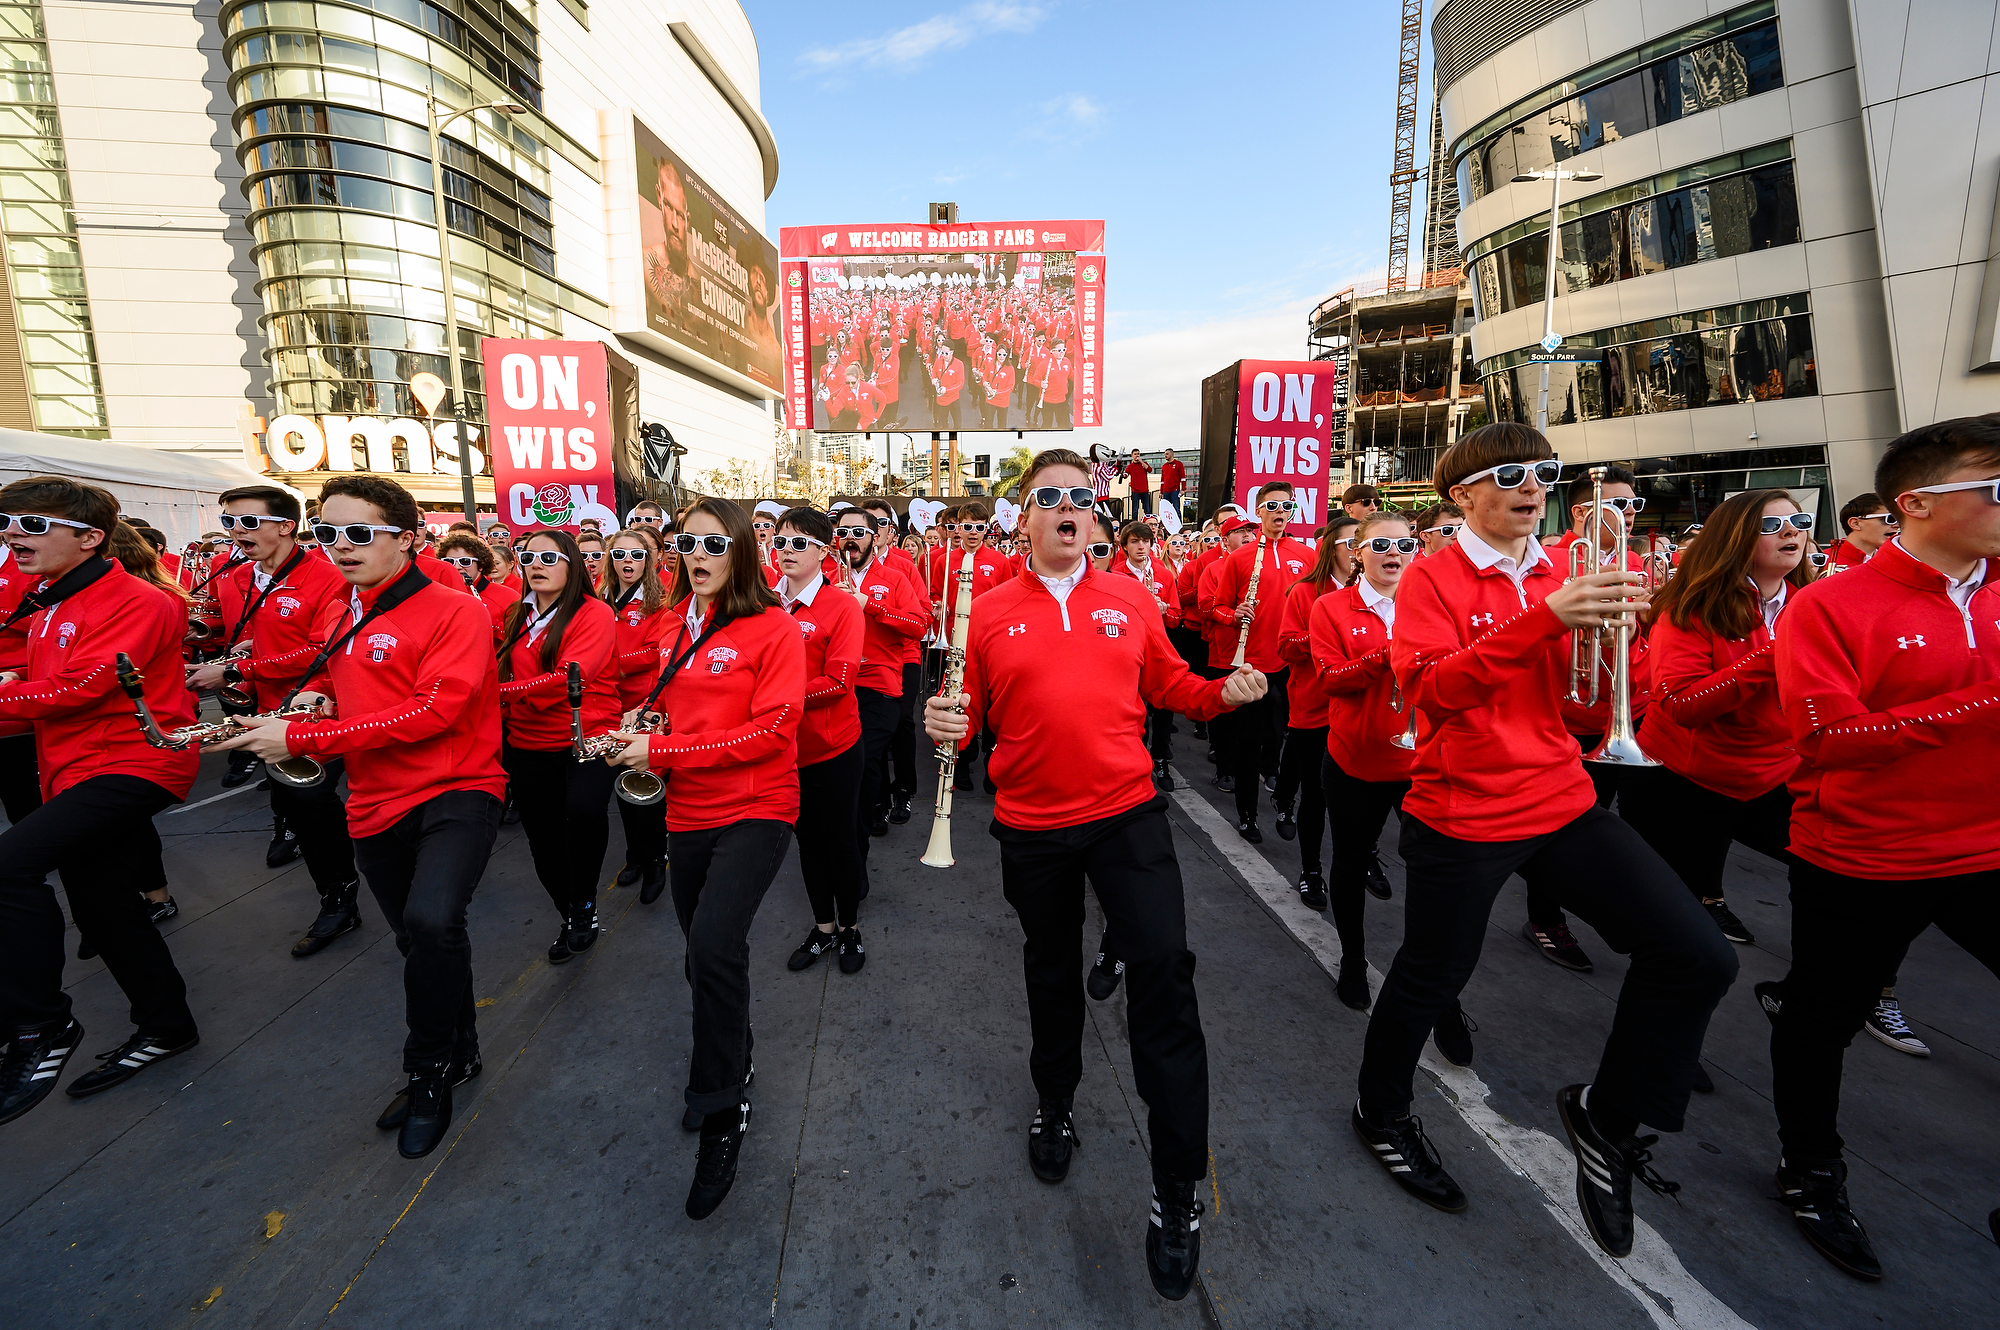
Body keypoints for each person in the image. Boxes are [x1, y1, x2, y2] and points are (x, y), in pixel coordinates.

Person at [1352, 424, 1737, 1261]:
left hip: (1562, 795)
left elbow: (1583, 702)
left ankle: (1606, 1118)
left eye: (1544, 473)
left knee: (1700, 956)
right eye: (1513, 474)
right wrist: (1543, 621)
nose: (1534, 486)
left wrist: (1618, 653)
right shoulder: (1431, 578)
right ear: (1463, 496)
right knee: (1431, 976)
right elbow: (1434, 692)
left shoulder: (1563, 567)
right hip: (1464, 813)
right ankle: (1379, 1112)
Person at [924, 447, 1268, 1302]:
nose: (1070, 509)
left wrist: (1224, 694)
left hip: (1126, 816)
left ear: (1097, 516)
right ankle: (1055, 1101)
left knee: (1165, 976)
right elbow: (962, 725)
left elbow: (1176, 688)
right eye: (1051, 498)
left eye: (1084, 496)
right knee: (1050, 970)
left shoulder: (1133, 598)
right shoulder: (988, 608)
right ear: (1027, 518)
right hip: (1033, 827)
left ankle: (1177, 1186)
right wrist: (943, 724)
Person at [1765, 416, 2000, 1282]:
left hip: (1989, 848)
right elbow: (1828, 740)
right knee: (1820, 1020)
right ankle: (1809, 1168)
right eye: (1998, 487)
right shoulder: (1832, 604)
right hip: (1865, 854)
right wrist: (1982, 709)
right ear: (1918, 505)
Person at [212, 476, 507, 1158]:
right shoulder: (341, 607)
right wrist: (312, 698)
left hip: (457, 787)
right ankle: (460, 1049)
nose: (339, 547)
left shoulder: (453, 610)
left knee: (434, 922)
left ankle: (428, 1069)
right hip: (375, 800)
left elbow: (436, 710)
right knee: (418, 940)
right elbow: (327, 672)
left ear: (405, 539)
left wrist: (305, 738)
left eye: (358, 534)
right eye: (327, 534)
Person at [604, 497, 804, 1221]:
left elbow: (772, 730)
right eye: (686, 541)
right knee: (701, 955)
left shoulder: (774, 628)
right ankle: (736, 1053)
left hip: (758, 806)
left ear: (745, 550)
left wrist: (662, 749)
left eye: (714, 543)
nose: (698, 553)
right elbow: (675, 706)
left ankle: (722, 1109)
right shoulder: (672, 624)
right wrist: (642, 723)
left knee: (717, 944)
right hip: (687, 809)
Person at [0, 478, 203, 1125]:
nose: (11, 534)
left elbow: (79, 689)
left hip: (131, 763)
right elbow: (47, 686)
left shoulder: (140, 601)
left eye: (31, 524)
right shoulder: (51, 599)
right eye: (7, 522)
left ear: (89, 538)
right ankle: (166, 1025)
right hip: (74, 769)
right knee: (102, 904)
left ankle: (42, 1028)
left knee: (8, 868)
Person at [1623, 489, 1812, 947]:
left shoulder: (1813, 603)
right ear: (1735, 540)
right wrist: (1773, 655)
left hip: (1774, 776)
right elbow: (1682, 706)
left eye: (1800, 521)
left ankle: (1824, 991)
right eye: (1770, 526)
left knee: (1833, 877)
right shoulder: (1691, 607)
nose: (1791, 532)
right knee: (1674, 929)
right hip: (1684, 783)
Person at [188, 485, 359, 957]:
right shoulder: (236, 576)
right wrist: (227, 650)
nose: (238, 532)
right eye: (230, 523)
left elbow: (320, 648)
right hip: (268, 711)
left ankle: (340, 900)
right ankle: (333, 887)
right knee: (302, 808)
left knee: (318, 807)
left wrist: (238, 667)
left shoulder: (328, 576)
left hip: (324, 709)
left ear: (286, 526)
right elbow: (242, 633)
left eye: (249, 522)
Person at [1521, 465, 1653, 974]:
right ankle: (1545, 918)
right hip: (1571, 713)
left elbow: (1640, 633)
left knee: (1615, 829)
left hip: (1626, 712)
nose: (1628, 515)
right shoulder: (1550, 563)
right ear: (1583, 512)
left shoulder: (1636, 560)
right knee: (1559, 830)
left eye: (1633, 505)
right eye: (1617, 505)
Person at [1310, 511, 1420, 1011]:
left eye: (1405, 544)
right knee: (1352, 862)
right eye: (1379, 545)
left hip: (1424, 762)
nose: (1393, 553)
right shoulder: (1331, 607)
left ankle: (1434, 984)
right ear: (1357, 552)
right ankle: (1352, 958)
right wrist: (1386, 655)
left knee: (1434, 874)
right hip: (1356, 760)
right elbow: (1332, 678)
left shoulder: (1432, 604)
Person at [497, 529, 618, 964]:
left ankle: (584, 902)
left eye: (549, 557)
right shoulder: (516, 614)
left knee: (584, 812)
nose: (536, 564)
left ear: (572, 564)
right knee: (543, 838)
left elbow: (573, 676)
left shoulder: (595, 613)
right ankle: (569, 912)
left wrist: (502, 692)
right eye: (528, 557)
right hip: (528, 741)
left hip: (588, 737)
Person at [771, 506, 867, 974]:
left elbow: (840, 682)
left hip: (833, 748)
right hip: (784, 750)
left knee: (840, 842)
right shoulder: (764, 602)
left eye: (799, 543)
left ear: (824, 551)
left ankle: (850, 928)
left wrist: (772, 700)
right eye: (781, 542)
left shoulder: (843, 605)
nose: (787, 551)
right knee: (807, 843)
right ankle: (823, 927)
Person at [1204, 482, 1313, 840]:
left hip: (1294, 664)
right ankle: (1248, 814)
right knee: (1248, 743)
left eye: (1287, 505)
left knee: (1292, 739)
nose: (1280, 512)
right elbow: (1217, 607)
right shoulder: (1239, 557)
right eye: (1273, 506)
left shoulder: (1308, 555)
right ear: (1260, 511)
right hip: (1252, 664)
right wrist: (1235, 613)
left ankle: (1283, 796)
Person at [1272, 514, 1358, 903]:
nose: (1359, 551)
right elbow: (1286, 647)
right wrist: (1322, 634)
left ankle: (1364, 855)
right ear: (1330, 549)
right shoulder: (1305, 592)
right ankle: (1310, 870)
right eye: (1351, 543)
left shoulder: (1384, 590)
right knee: (1317, 794)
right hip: (1314, 707)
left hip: (1363, 711)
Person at [832, 507, 928, 853]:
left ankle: (876, 809)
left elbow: (919, 626)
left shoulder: (895, 577)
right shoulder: (827, 578)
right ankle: (860, 812)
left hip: (880, 682)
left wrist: (868, 605)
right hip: (835, 683)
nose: (850, 539)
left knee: (868, 753)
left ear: (876, 537)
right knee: (845, 760)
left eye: (859, 532)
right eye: (844, 532)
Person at [602, 527, 671, 904]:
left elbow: (652, 654)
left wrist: (605, 664)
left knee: (646, 785)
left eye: (636, 555)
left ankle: (656, 860)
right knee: (623, 785)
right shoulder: (600, 598)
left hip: (643, 707)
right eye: (620, 555)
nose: (627, 561)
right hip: (609, 704)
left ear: (649, 560)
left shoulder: (660, 602)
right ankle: (635, 855)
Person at [438, 532, 515, 627]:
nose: (456, 566)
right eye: (449, 561)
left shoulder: (508, 597)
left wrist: (490, 623)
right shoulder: (437, 595)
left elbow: (521, 637)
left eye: (465, 561)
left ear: (481, 565)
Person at [1826, 492, 1896, 568]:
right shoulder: (1822, 561)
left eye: (1900, 519)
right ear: (1855, 523)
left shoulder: (1894, 561)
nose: (1897, 525)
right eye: (1890, 518)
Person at [1159, 448, 1186, 517]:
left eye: (1167, 454)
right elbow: (1162, 480)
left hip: (1174, 490)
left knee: (1176, 509)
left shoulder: (1178, 464)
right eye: (1165, 454)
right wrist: (1161, 491)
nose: (1165, 456)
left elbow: (1183, 478)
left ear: (1172, 454)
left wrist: (1183, 489)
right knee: (1166, 510)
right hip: (1166, 491)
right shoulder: (1164, 466)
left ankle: (1179, 526)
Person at [1127, 450, 1154, 517]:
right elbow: (1126, 474)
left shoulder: (1144, 463)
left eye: (1138, 454)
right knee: (1135, 510)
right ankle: (1135, 524)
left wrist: (1141, 461)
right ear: (1132, 455)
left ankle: (1149, 523)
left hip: (1145, 490)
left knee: (1147, 509)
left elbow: (1150, 470)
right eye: (1135, 454)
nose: (1137, 455)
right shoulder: (1130, 466)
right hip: (1135, 491)